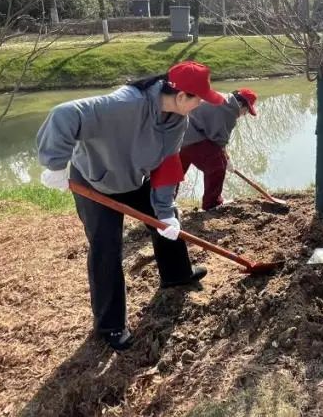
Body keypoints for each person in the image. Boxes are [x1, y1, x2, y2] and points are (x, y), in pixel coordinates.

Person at [35, 61, 225, 351]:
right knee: (106, 248)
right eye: (198, 100)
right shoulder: (125, 104)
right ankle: (110, 326)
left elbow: (166, 167)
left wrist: (164, 212)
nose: (200, 106)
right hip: (94, 181)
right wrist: (56, 164)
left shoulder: (178, 121)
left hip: (134, 178)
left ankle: (176, 275)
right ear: (181, 96)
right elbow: (65, 113)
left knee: (166, 221)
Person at [179, 88, 259, 210]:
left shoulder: (222, 97)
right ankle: (212, 204)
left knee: (176, 171)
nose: (244, 115)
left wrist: (225, 157)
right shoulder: (230, 111)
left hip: (178, 133)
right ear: (242, 104)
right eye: (246, 111)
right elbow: (219, 141)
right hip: (192, 135)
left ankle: (163, 206)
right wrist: (226, 160)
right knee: (217, 167)